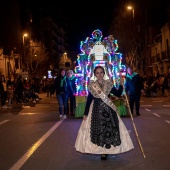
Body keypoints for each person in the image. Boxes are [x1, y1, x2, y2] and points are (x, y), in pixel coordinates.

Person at [75, 66, 134, 160]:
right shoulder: (92, 85)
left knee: (109, 129)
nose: (99, 74)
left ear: (104, 73)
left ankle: (106, 151)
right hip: (96, 110)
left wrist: (122, 84)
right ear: (95, 75)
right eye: (97, 73)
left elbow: (118, 93)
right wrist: (85, 113)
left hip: (108, 110)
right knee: (98, 130)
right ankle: (101, 150)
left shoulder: (108, 84)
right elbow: (89, 100)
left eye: (101, 72)